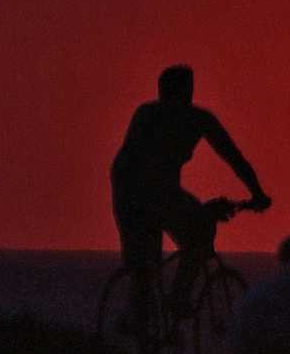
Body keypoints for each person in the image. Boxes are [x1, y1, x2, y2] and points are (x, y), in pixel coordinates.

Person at [110, 65, 271, 339]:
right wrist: (256, 195)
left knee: (160, 257)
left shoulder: (173, 116)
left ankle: (158, 315)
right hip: (137, 192)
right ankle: (166, 306)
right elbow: (232, 157)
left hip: (146, 191)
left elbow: (233, 157)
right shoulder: (168, 117)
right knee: (177, 245)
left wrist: (256, 190)